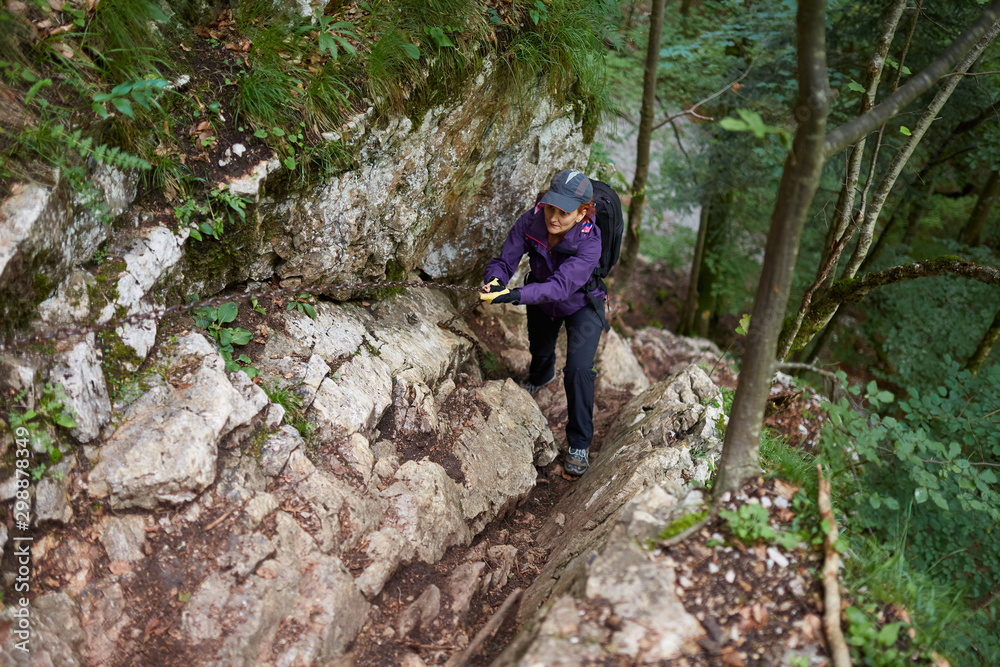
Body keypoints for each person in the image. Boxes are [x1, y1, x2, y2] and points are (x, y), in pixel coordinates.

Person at [479, 169, 605, 477]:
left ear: (582, 213)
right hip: (540, 301)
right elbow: (504, 260)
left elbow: (562, 287)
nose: (554, 217)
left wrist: (515, 295)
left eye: (564, 212)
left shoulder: (591, 242)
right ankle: (541, 375)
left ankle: (578, 444)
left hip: (582, 305)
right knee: (540, 347)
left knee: (577, 369)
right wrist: (495, 282)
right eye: (551, 207)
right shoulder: (530, 221)